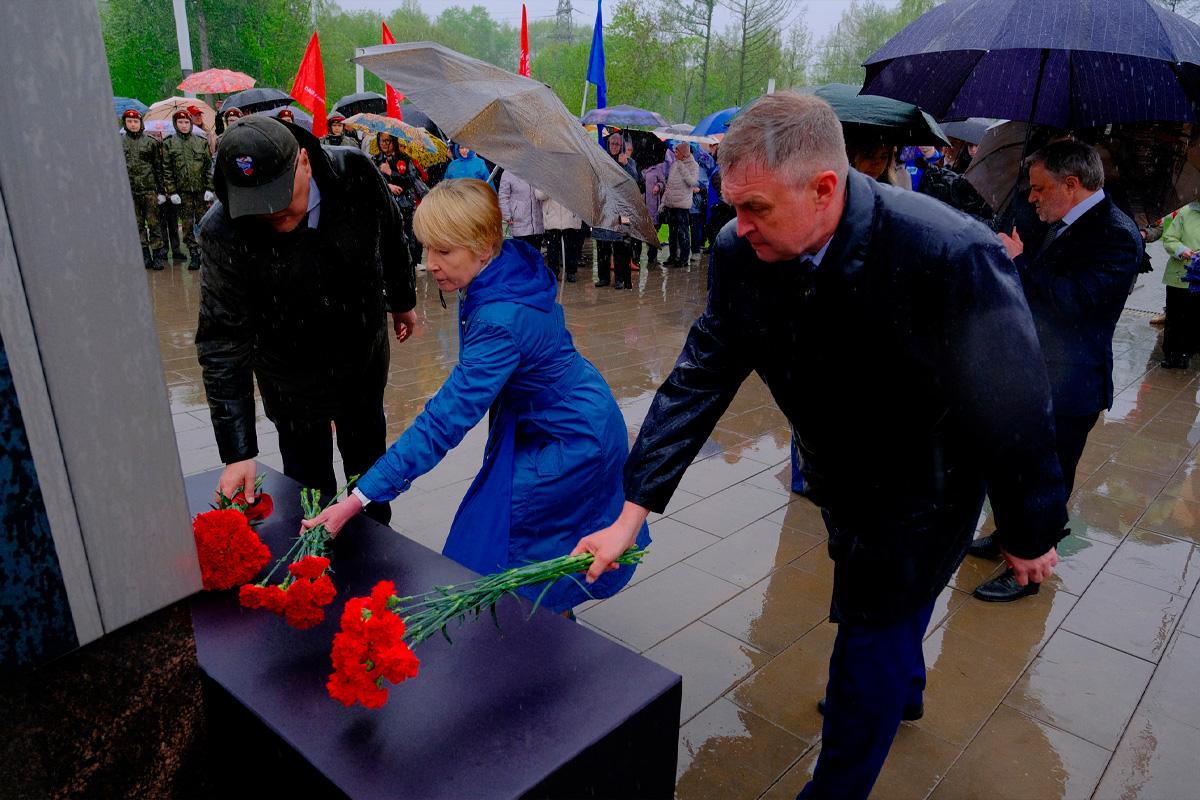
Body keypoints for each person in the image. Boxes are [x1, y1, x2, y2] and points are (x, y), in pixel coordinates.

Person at [570, 92, 1067, 800]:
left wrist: (1028, 529)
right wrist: (631, 511)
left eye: (757, 209)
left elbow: (1013, 406)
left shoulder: (951, 254)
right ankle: (904, 686)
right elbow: (701, 374)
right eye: (732, 207)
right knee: (887, 623)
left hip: (927, 486)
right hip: (840, 476)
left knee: (867, 636)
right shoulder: (744, 252)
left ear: (825, 188)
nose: (738, 228)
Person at [303, 178, 650, 614]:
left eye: (444, 251)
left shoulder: (500, 320)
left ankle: (535, 634)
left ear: (485, 246)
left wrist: (360, 496)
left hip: (569, 436)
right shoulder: (509, 264)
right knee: (522, 539)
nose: (431, 264)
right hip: (565, 415)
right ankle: (541, 626)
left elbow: (444, 419)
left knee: (507, 545)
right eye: (427, 249)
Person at [196, 116, 417, 525]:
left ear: (303, 161)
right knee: (307, 486)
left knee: (367, 474)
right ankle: (317, 564)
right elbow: (222, 339)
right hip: (287, 370)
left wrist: (402, 300)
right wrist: (238, 451)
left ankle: (377, 547)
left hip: (360, 353)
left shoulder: (354, 174)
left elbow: (391, 234)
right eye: (257, 203)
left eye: (280, 195)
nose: (273, 212)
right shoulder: (223, 228)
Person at [969, 140, 1142, 601]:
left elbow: (1073, 303)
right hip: (1030, 371)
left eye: (1041, 188)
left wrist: (1019, 262)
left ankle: (1029, 569)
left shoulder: (1118, 235)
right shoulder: (1054, 221)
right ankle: (1009, 534)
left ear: (1072, 184)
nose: (1032, 197)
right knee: (1014, 465)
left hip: (1071, 384)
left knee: (1048, 475)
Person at [162, 110, 214, 268]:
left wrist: (209, 188)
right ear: (175, 124)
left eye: (186, 122)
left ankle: (207, 254)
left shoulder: (200, 141)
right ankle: (194, 254)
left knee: (204, 223)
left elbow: (208, 167)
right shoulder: (169, 143)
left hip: (200, 192)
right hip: (182, 193)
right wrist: (171, 192)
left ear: (190, 124)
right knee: (187, 225)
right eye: (180, 123)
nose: (184, 126)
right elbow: (167, 170)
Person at [119, 108, 167, 270]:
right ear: (125, 124)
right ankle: (144, 254)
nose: (133, 124)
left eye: (135, 121)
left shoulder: (151, 142)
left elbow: (158, 167)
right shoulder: (119, 143)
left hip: (149, 190)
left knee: (154, 223)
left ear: (141, 123)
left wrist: (161, 191)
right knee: (137, 224)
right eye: (129, 122)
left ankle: (158, 255)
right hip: (130, 191)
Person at [371, 132, 424, 265]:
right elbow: (371, 182)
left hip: (404, 205)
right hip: (384, 206)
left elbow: (411, 180)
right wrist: (387, 186)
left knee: (406, 237)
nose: (384, 144)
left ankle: (409, 263)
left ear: (394, 142)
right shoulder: (375, 159)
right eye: (381, 140)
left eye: (387, 141)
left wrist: (391, 173)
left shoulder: (404, 159)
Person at [1159, 205, 1200, 366]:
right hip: (1178, 276)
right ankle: (1170, 353)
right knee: (1174, 316)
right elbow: (1169, 239)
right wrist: (1182, 250)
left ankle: (1187, 353)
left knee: (1194, 317)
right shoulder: (1185, 213)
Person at [662, 141, 699, 267]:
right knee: (672, 233)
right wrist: (663, 202)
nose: (674, 153)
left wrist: (682, 166)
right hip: (671, 204)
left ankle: (683, 259)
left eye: (677, 151)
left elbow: (692, 182)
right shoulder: (674, 164)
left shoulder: (693, 165)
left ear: (683, 153)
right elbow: (670, 185)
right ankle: (673, 256)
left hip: (682, 205)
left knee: (683, 232)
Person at [536, 188, 582, 281]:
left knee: (571, 247)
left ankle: (571, 272)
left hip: (570, 217)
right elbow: (539, 195)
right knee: (553, 249)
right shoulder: (544, 175)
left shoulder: (573, 176)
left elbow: (579, 194)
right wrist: (551, 184)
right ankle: (553, 272)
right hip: (552, 218)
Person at [498, 169, 544, 251]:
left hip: (537, 223)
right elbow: (503, 196)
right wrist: (507, 215)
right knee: (522, 256)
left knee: (535, 255)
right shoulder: (509, 172)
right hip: (518, 222)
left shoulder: (537, 171)